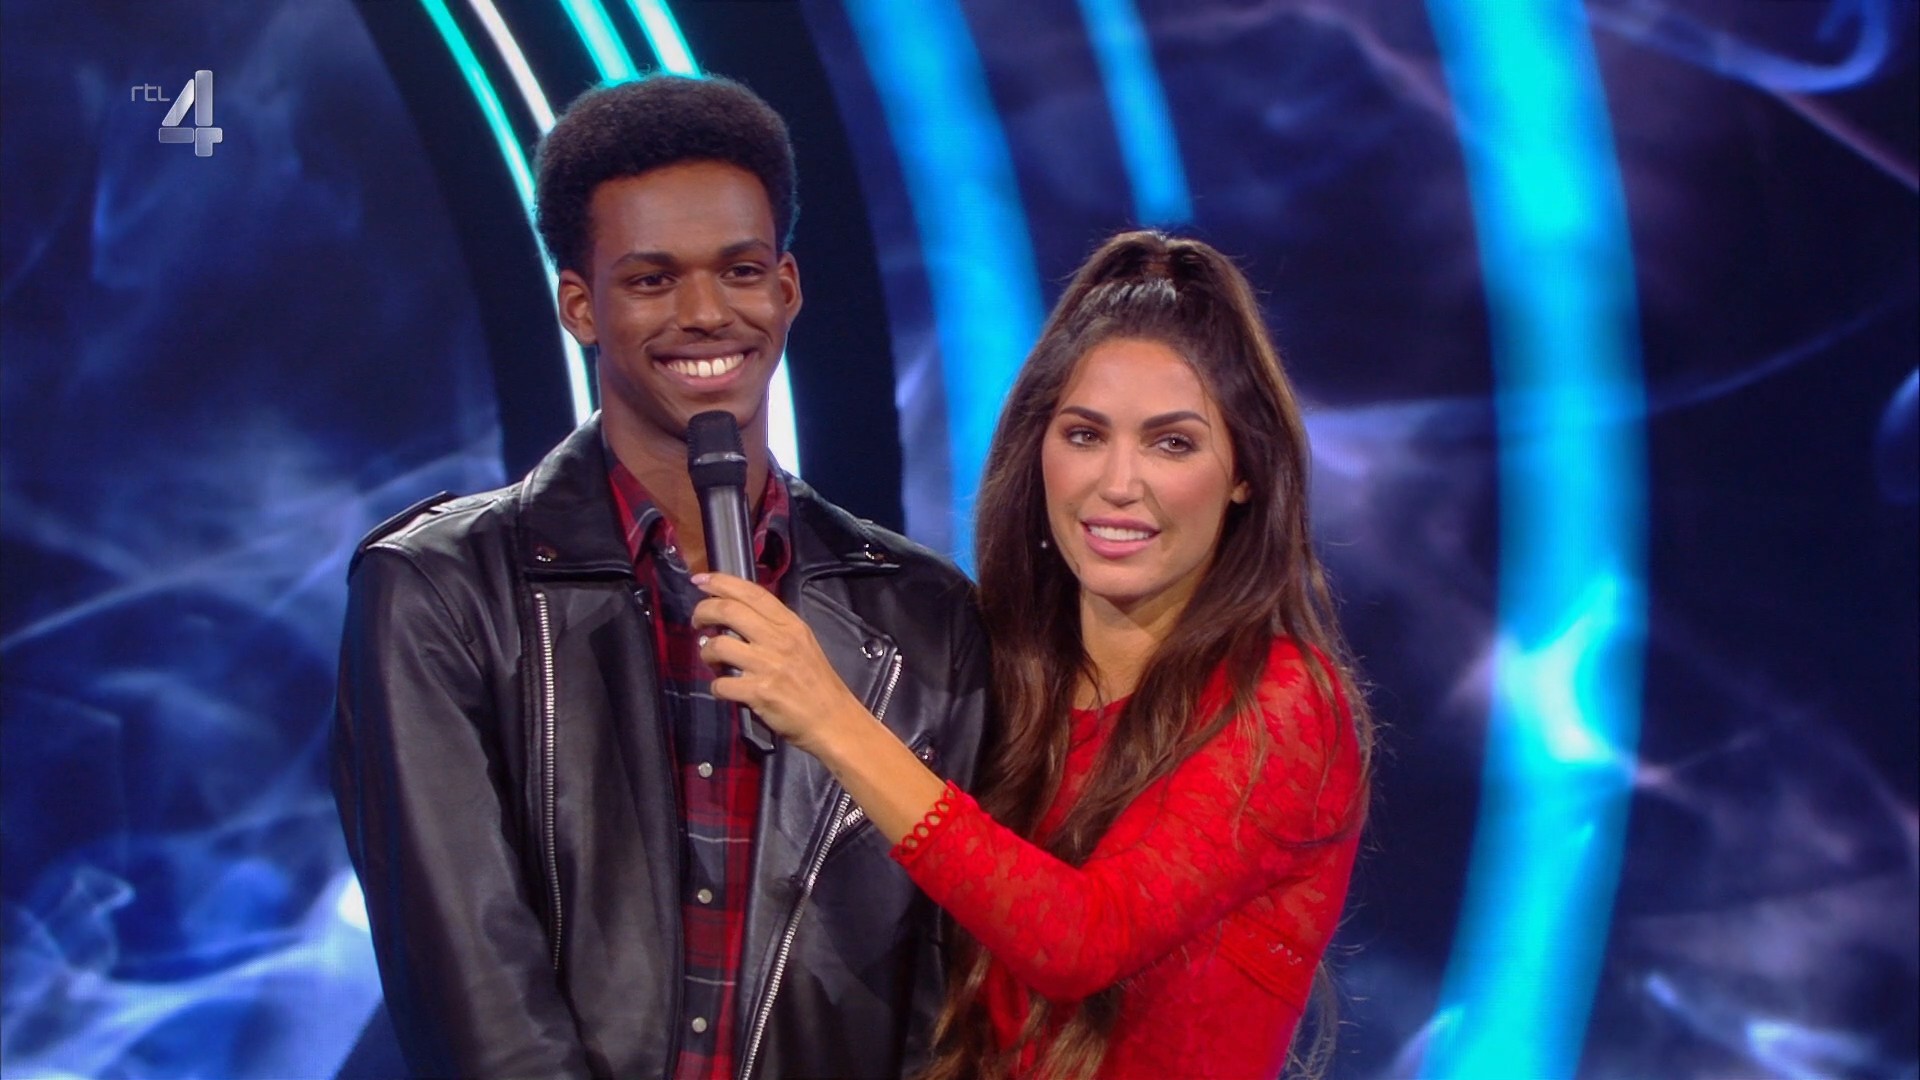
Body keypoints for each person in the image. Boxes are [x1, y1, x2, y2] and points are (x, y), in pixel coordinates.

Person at [330, 74, 991, 1079]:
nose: (706, 313)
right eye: (651, 280)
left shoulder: (923, 613)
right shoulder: (440, 593)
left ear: (787, 288)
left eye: (740, 271)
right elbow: (472, 988)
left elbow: (944, 990)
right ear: (580, 306)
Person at [690, 230, 1372, 1079]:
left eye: (1172, 443)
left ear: (1245, 474)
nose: (1117, 483)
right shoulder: (998, 669)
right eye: (1084, 435)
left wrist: (834, 719)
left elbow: (1081, 940)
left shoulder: (1280, 703)